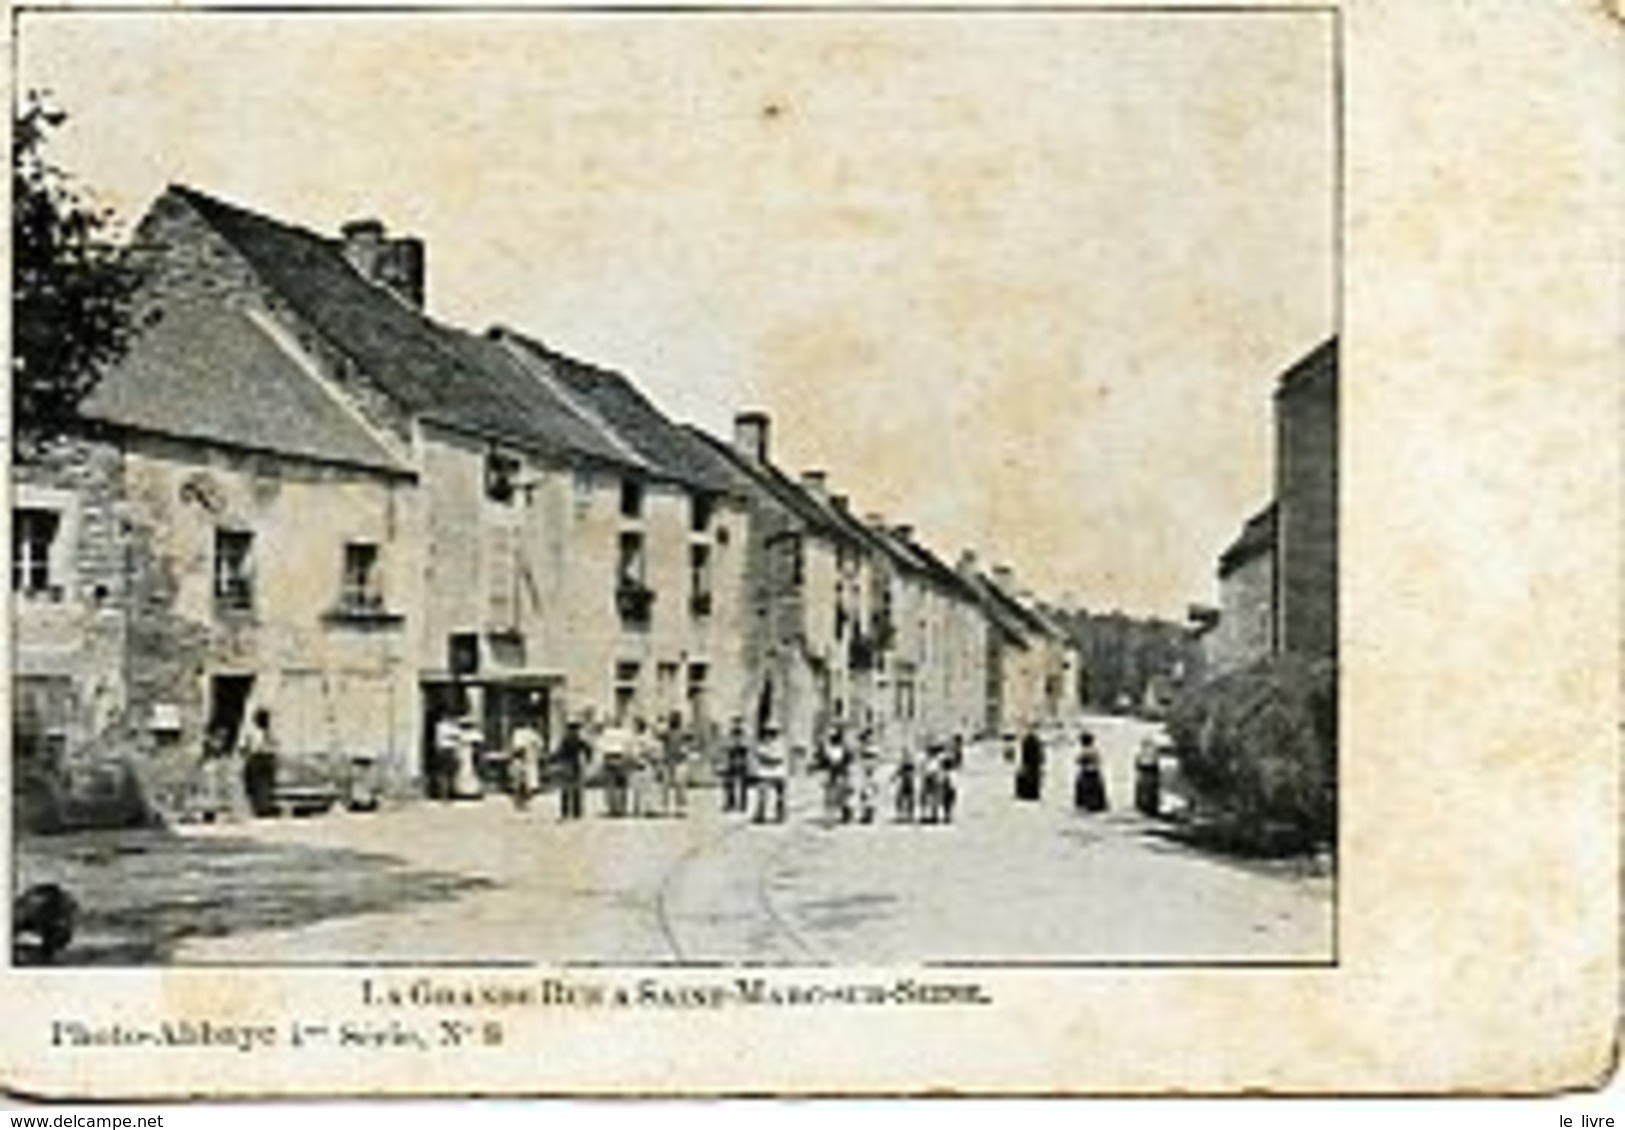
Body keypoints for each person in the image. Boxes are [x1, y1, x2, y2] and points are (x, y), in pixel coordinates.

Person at [240, 708, 277, 818]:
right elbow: (244, 746)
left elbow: (274, 745)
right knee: (257, 785)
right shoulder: (254, 733)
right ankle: (259, 807)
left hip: (263, 758)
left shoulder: (268, 733)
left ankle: (263, 807)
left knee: (263, 785)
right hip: (258, 758)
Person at [553, 720, 591, 821]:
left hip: (567, 765)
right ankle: (576, 812)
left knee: (566, 790)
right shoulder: (578, 739)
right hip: (575, 765)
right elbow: (588, 749)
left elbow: (559, 752)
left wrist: (554, 760)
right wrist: (587, 759)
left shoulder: (566, 739)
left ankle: (566, 812)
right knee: (575, 790)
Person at [753, 724, 788, 824]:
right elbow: (758, 754)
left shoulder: (780, 744)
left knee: (780, 795)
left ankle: (780, 815)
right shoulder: (763, 744)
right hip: (765, 772)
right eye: (768, 732)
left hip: (778, 772)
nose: (770, 735)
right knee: (762, 794)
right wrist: (766, 756)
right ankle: (760, 814)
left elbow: (778, 757)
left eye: (773, 733)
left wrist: (767, 756)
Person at [597, 719, 632, 817]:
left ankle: (612, 808)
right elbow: (628, 747)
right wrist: (628, 759)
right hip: (621, 758)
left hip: (608, 757)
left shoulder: (606, 733)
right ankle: (621, 808)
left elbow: (601, 746)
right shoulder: (626, 733)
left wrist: (602, 760)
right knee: (622, 785)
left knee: (610, 785)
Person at [509, 719, 543, 811]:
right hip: (526, 761)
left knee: (523, 782)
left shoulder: (519, 733)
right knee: (524, 782)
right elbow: (540, 746)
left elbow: (516, 747)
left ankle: (521, 803)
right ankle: (521, 802)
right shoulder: (532, 734)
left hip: (527, 760)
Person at [1073, 731, 1108, 814]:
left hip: (1087, 772)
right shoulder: (1094, 750)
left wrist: (1083, 762)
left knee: (1086, 788)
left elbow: (1079, 760)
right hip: (1094, 771)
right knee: (1094, 788)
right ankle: (1096, 804)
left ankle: (1089, 804)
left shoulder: (1087, 751)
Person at [722, 719, 751, 813]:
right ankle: (731, 803)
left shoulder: (745, 734)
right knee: (729, 783)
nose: (737, 725)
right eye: (735, 722)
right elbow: (727, 746)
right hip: (732, 761)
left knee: (743, 785)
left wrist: (738, 745)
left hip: (742, 761)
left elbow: (747, 746)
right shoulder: (730, 734)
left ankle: (743, 804)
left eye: (739, 722)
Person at [432, 714, 463, 802]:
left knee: (450, 774)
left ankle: (448, 794)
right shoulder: (443, 726)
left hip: (449, 751)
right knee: (445, 774)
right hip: (446, 750)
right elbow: (456, 735)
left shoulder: (449, 726)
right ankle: (444, 795)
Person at [1015, 728, 1045, 802]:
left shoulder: (1028, 741)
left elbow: (1024, 756)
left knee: (1027, 777)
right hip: (1033, 766)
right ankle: (1031, 794)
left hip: (1030, 765)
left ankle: (1027, 794)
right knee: (1032, 778)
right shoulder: (1036, 742)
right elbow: (1041, 757)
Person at [893, 742, 918, 823]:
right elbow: (899, 771)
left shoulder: (910, 761)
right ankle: (903, 814)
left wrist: (895, 776)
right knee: (901, 798)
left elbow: (901, 770)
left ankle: (909, 815)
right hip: (905, 781)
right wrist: (894, 776)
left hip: (908, 781)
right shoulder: (905, 761)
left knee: (908, 798)